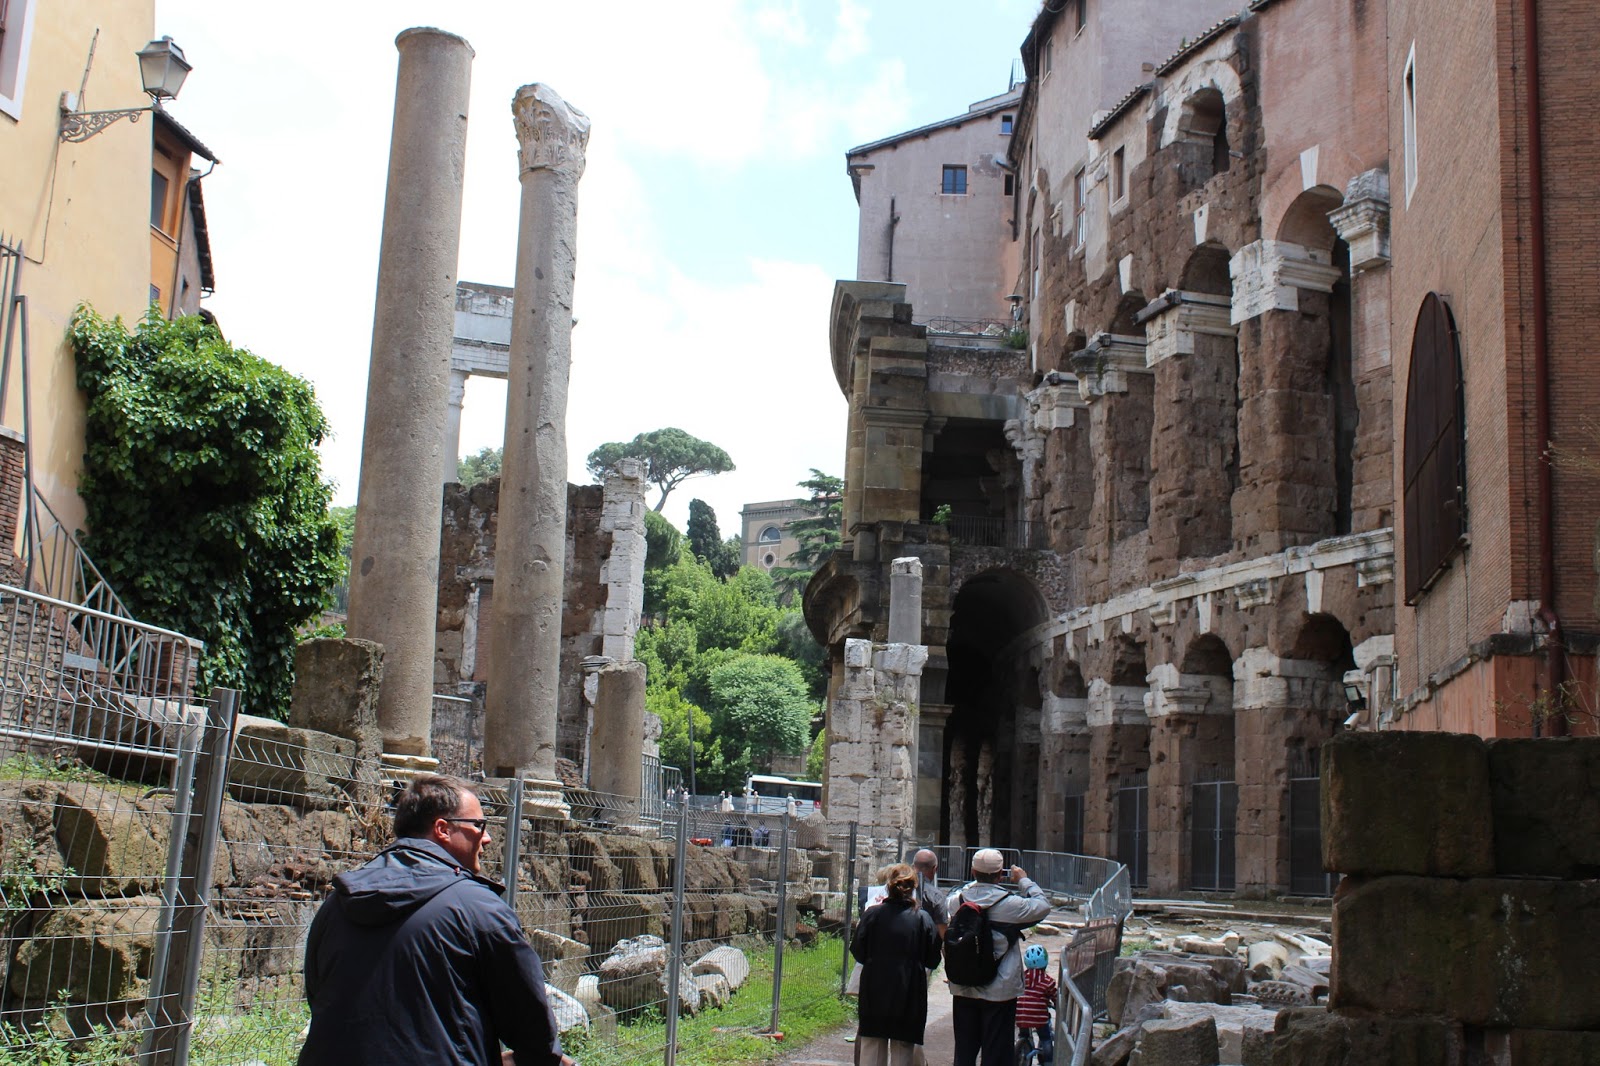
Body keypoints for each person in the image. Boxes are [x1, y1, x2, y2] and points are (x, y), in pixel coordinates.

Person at [299, 774, 571, 1066]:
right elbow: (531, 1027)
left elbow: (319, 995)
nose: (487, 838)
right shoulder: (478, 909)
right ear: (442, 829)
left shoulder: (338, 902)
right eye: (478, 825)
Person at [945, 848, 1052, 1066]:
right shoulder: (1011, 905)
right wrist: (1024, 880)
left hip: (964, 985)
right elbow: (1042, 905)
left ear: (973, 871)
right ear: (1000, 875)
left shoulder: (957, 901)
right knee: (997, 1055)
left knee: (964, 1053)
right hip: (999, 988)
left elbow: (957, 895)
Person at [850, 863, 942, 1066]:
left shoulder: (872, 914)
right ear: (914, 887)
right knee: (903, 1048)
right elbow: (933, 959)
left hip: (875, 988)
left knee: (873, 1046)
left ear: (888, 886)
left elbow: (858, 951)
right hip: (909, 990)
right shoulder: (922, 918)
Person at [1016, 944, 1057, 1064]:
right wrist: (1057, 1005)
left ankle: (1022, 1046)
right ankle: (1048, 1062)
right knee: (1045, 1038)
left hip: (1021, 1014)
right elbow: (1054, 996)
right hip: (1039, 1017)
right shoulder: (1047, 981)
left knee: (1023, 1033)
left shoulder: (1021, 977)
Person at [911, 849, 948, 937]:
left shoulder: (901, 889)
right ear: (935, 869)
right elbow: (943, 931)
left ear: (913, 867)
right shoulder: (937, 896)